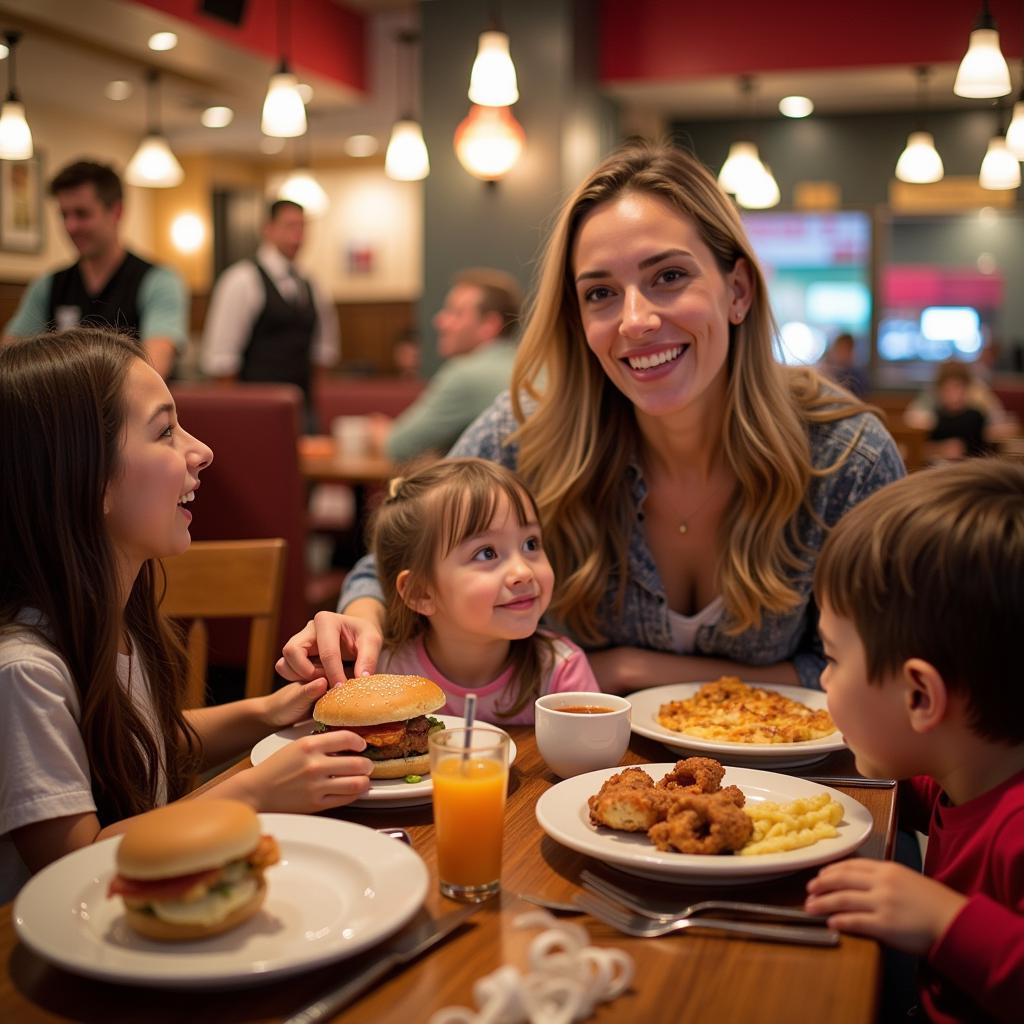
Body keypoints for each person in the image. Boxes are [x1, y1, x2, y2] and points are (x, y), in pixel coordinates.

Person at [278, 141, 903, 694]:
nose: (635, 321)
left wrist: (633, 669)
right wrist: (359, 619)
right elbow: (397, 560)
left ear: (737, 291)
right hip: (569, 792)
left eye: (669, 276)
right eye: (601, 293)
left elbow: (883, 668)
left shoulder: (846, 457)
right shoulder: (529, 433)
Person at [0, 329, 373, 903]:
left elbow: (151, 741)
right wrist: (250, 794)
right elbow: (74, 868)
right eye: (165, 430)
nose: (201, 450)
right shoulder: (24, 673)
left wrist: (274, 710)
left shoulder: (118, 622)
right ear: (88, 478)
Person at [806, 460, 1024, 1023]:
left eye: (831, 658)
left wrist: (943, 921)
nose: (824, 681)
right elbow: (930, 788)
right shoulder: (971, 773)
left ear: (920, 697)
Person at [314, 458, 599, 724]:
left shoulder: (562, 670)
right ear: (420, 593)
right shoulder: (383, 672)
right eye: (487, 553)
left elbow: (592, 766)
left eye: (531, 544)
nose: (523, 571)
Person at [3, 160, 187, 378]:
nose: (71, 226)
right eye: (64, 215)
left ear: (116, 212)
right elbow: (8, 359)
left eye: (82, 214)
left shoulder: (158, 281)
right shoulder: (49, 285)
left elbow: (154, 369)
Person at [200, 199, 339, 433]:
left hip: (303, 411)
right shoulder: (241, 280)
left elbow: (323, 354)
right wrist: (234, 418)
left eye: (302, 227)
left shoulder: (311, 284)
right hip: (254, 412)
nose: (298, 236)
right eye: (289, 226)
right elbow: (222, 362)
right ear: (268, 228)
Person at [370, 268, 523, 462]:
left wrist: (378, 431)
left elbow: (398, 446)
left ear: (489, 324)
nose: (439, 321)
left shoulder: (467, 374)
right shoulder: (531, 366)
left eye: (455, 313)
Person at [816, 332, 869, 398]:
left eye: (847, 350)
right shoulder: (824, 372)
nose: (843, 353)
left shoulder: (858, 376)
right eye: (841, 349)